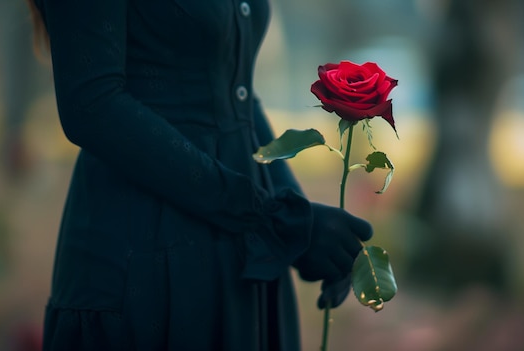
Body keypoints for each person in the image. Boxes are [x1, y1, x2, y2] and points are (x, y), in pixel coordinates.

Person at [25, 0, 373, 350]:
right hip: (145, 263)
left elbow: (237, 98)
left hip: (241, 250)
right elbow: (93, 106)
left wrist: (295, 221)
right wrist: (265, 217)